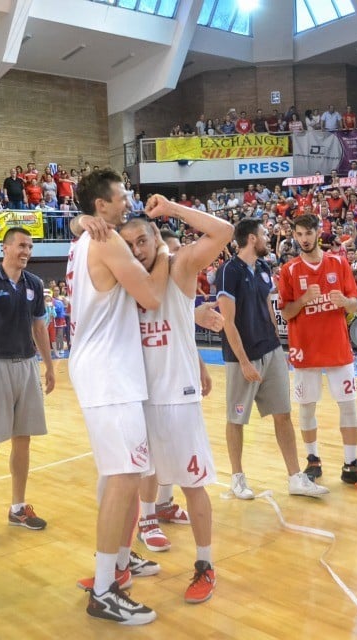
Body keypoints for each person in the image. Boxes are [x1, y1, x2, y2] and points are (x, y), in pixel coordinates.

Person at [65, 168, 169, 625]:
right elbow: (150, 296)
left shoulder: (83, 238)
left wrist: (77, 220)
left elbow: (78, 224)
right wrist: (163, 250)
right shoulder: (107, 241)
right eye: (121, 197)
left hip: (103, 369)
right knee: (124, 476)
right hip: (107, 372)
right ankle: (104, 588)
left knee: (120, 475)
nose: (128, 202)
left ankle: (117, 568)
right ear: (101, 206)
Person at [118, 200, 234, 604]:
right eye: (128, 244)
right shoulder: (124, 281)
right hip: (137, 397)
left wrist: (170, 207)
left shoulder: (179, 267)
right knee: (131, 480)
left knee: (193, 484)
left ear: (156, 239)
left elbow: (223, 231)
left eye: (142, 241)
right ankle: (122, 558)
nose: (137, 250)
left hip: (177, 398)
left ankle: (204, 563)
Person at [216, 218, 328, 499]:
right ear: (252, 238)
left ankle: (295, 478)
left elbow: (268, 308)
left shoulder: (265, 268)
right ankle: (237, 478)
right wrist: (243, 361)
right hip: (242, 358)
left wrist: (279, 348)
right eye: (264, 234)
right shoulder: (227, 271)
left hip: (271, 351)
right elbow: (228, 322)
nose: (268, 237)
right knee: (237, 418)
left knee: (283, 415)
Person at [0, 228, 55, 547]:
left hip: (26, 366)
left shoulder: (34, 284)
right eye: (21, 245)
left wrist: (49, 364)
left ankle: (18, 507)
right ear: (5, 248)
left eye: (30, 246)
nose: (26, 251)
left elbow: (39, 326)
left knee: (23, 439)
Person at [278, 214, 357, 491]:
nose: (304, 239)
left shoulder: (338, 262)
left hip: (337, 348)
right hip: (304, 350)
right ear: (294, 236)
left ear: (318, 232)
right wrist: (304, 300)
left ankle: (351, 465)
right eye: (299, 234)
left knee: (348, 405)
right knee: (306, 408)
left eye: (308, 233)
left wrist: (345, 302)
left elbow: (354, 305)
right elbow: (285, 313)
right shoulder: (289, 270)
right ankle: (313, 460)